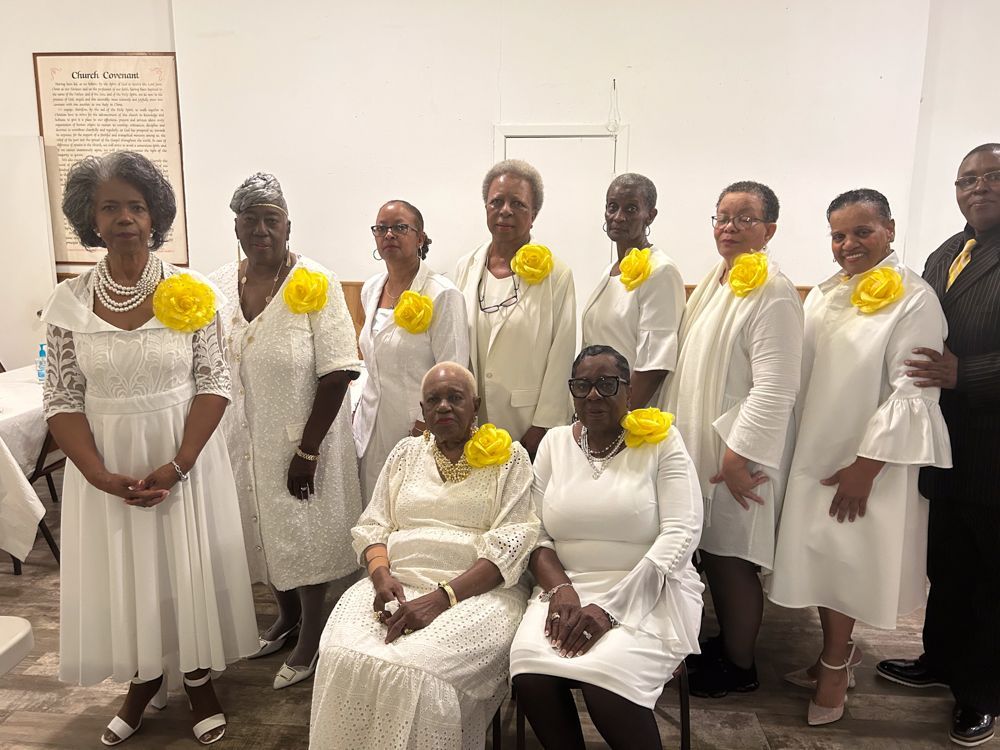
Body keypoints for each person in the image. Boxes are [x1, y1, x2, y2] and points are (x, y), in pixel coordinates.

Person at [41, 151, 258, 746]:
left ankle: (196, 677)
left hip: (182, 456)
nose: (125, 218)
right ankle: (142, 677)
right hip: (106, 465)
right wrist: (98, 474)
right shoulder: (70, 302)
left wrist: (179, 463)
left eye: (136, 206)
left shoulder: (190, 293)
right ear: (90, 218)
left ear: (155, 214)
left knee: (182, 566)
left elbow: (215, 382)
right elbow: (61, 395)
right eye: (109, 207)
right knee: (128, 571)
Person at [767, 189, 951, 726]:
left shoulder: (914, 299)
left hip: (868, 460)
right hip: (818, 450)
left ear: (889, 229)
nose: (848, 244)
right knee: (823, 560)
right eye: (838, 235)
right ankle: (837, 654)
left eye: (862, 232)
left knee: (847, 563)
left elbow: (913, 392)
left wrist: (865, 469)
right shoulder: (826, 295)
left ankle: (833, 667)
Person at [309, 362, 539, 749]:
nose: (444, 407)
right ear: (422, 409)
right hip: (395, 583)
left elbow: (511, 546)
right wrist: (380, 577)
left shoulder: (509, 457)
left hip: (477, 595)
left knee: (417, 670)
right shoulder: (405, 452)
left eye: (455, 397)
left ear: (475, 404)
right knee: (341, 654)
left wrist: (440, 599)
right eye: (434, 400)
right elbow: (374, 525)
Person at [209, 173, 363, 690]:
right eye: (250, 220)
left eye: (270, 219)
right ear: (236, 227)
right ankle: (286, 616)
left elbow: (339, 370)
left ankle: (311, 634)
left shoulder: (314, 284)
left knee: (305, 534)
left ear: (288, 226)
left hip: (303, 439)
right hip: (245, 441)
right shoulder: (218, 286)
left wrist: (309, 450)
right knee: (264, 532)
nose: (260, 230)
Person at [510, 345, 704, 750]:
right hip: (565, 589)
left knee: (606, 683)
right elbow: (536, 532)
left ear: (629, 392)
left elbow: (681, 532)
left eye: (606, 384)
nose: (593, 395)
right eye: (582, 385)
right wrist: (560, 588)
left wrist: (612, 609)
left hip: (649, 591)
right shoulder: (555, 444)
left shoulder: (662, 441)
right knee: (530, 674)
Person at [877, 143, 1000, 748]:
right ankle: (941, 661)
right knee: (947, 566)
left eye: (993, 176)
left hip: (994, 447)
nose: (978, 187)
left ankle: (982, 695)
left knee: (992, 578)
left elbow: (953, 360)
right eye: (967, 179)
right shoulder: (947, 252)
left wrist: (967, 374)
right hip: (946, 444)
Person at [662, 180, 803, 697]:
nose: (729, 227)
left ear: (769, 229)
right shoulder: (718, 281)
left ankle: (741, 666)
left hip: (738, 455)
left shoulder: (773, 289)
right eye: (722, 217)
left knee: (733, 557)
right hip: (707, 450)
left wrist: (741, 455)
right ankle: (726, 646)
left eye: (745, 218)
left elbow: (776, 384)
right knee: (715, 552)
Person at [453, 159, 576, 459]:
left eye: (518, 204)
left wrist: (542, 426)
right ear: (485, 207)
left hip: (528, 426)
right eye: (496, 201)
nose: (505, 210)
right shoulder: (465, 268)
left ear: (533, 215)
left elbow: (562, 354)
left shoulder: (556, 275)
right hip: (473, 422)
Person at [354, 199, 469, 504]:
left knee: (407, 512)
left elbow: (455, 372)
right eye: (381, 228)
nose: (389, 234)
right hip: (369, 426)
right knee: (370, 514)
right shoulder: (371, 289)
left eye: (400, 227)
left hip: (417, 429)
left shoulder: (442, 294)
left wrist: (427, 428)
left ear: (419, 238)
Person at [581, 174, 684, 406]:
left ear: (650, 215)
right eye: (612, 207)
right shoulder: (609, 271)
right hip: (599, 405)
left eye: (631, 209)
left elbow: (654, 366)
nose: (618, 217)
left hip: (631, 412)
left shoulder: (660, 271)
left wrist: (620, 419)